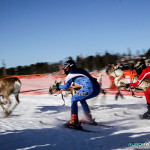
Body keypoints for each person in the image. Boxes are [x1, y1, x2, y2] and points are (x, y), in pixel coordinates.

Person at [56, 59, 101, 127]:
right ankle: (88, 119)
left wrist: (58, 86)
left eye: (65, 68)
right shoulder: (81, 70)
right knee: (82, 99)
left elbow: (65, 87)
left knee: (73, 99)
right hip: (97, 88)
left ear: (67, 68)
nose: (64, 70)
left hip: (89, 88)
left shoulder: (70, 75)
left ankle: (74, 121)